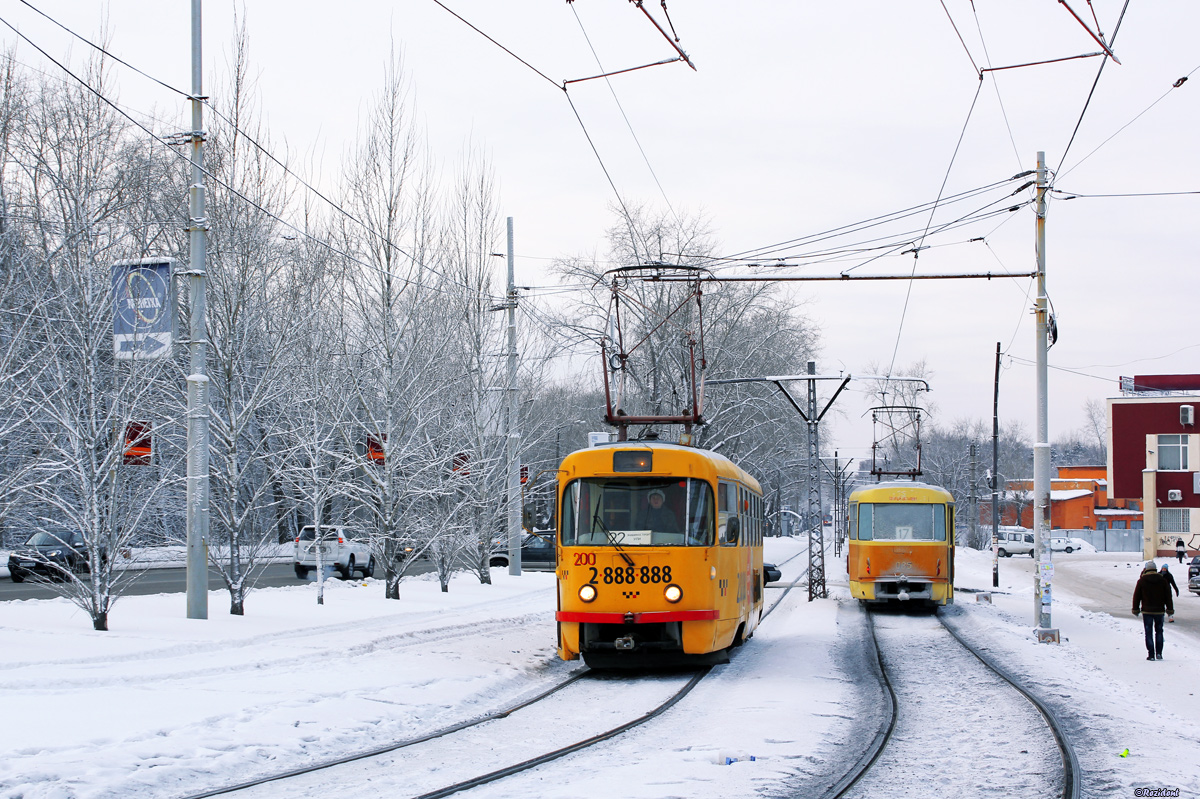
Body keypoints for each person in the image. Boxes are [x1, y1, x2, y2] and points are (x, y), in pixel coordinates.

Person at [1132, 560, 1174, 661]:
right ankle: (1159, 653)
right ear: (1155, 569)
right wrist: (1169, 609)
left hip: (1147, 611)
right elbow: (1168, 596)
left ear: (1146, 569)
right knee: (1159, 631)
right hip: (1159, 611)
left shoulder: (1142, 581)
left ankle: (1151, 654)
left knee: (1148, 632)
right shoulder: (1162, 580)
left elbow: (1136, 596)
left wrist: (1136, 609)